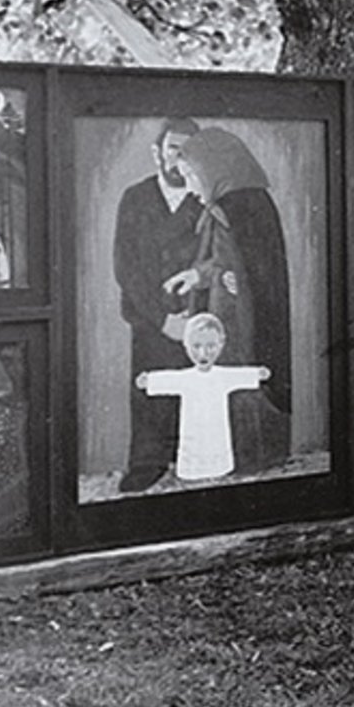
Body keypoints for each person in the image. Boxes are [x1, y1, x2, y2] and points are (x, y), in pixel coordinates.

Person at [162, 127, 293, 474]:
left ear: (211, 168)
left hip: (241, 315)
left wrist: (228, 276)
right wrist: (199, 276)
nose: (190, 187)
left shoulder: (238, 207)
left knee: (239, 375)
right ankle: (233, 455)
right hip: (230, 308)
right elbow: (226, 260)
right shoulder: (232, 205)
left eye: (192, 176)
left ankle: (252, 457)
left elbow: (246, 265)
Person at [112, 117, 202, 494]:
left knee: (198, 391)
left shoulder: (205, 198)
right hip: (151, 319)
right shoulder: (135, 197)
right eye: (173, 148)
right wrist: (163, 320)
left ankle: (194, 461)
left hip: (198, 317)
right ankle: (148, 464)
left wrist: (192, 315)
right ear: (157, 152)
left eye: (188, 151)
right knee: (151, 390)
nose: (180, 158)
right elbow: (126, 267)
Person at [136, 313, 270, 483]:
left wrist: (257, 374)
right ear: (186, 345)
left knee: (218, 463)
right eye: (196, 346)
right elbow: (168, 379)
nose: (203, 353)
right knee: (193, 456)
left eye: (211, 346)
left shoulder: (222, 376)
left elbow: (239, 375)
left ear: (221, 344)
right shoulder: (185, 378)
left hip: (217, 435)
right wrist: (149, 381)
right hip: (192, 438)